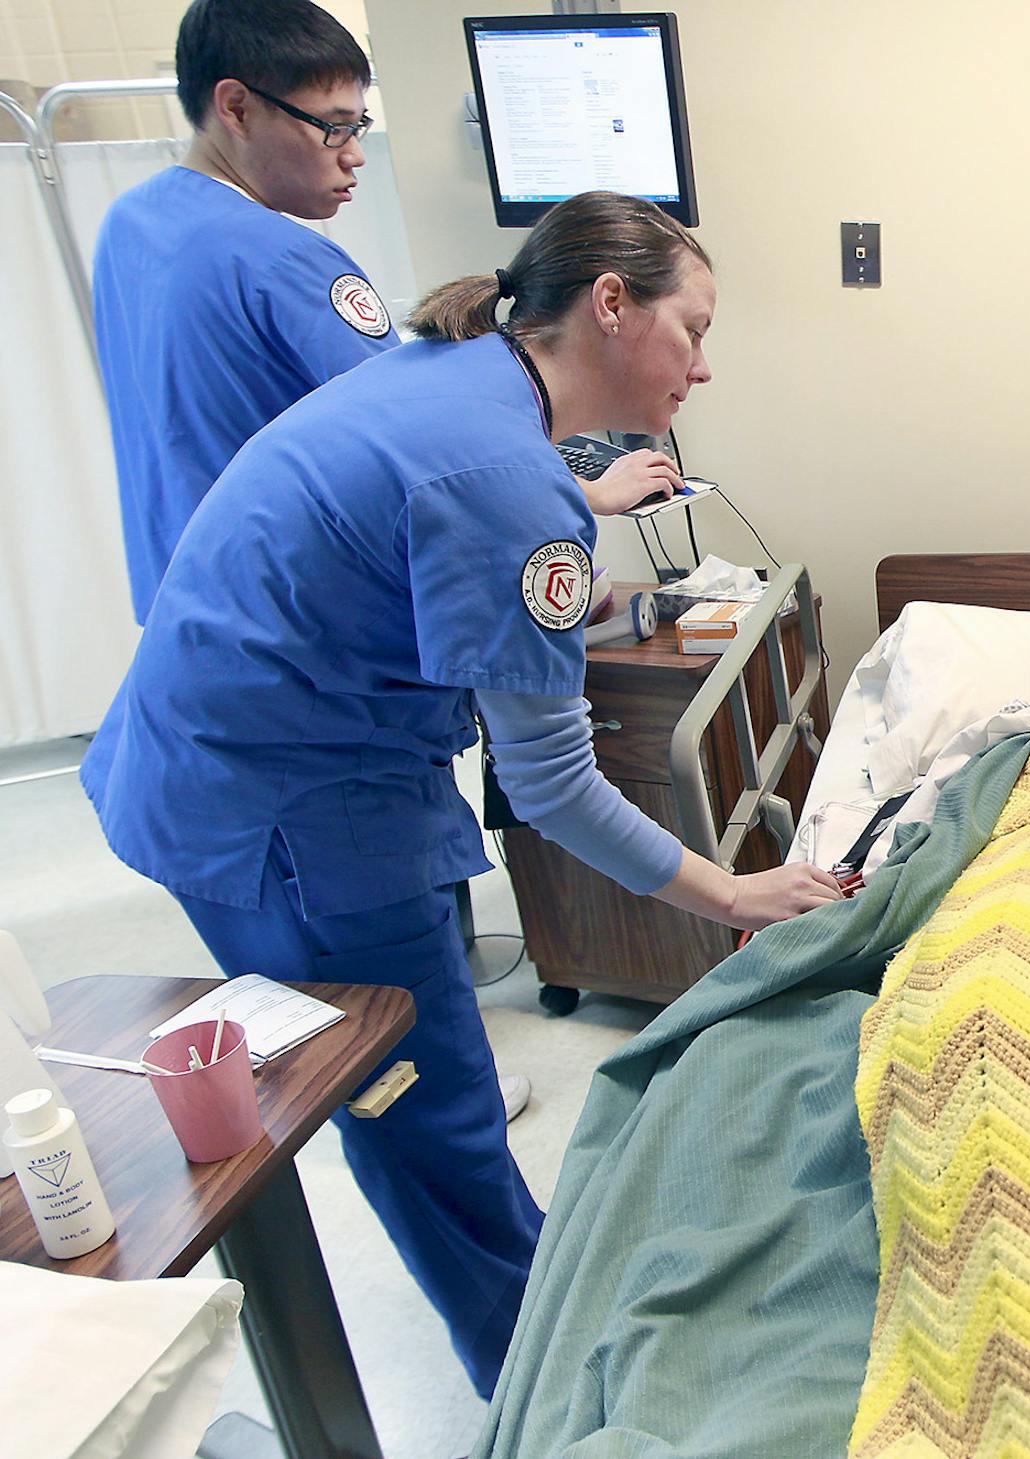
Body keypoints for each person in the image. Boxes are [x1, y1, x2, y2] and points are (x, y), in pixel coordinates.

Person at [79, 190, 842, 1395]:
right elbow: (551, 783)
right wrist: (732, 894)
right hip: (283, 812)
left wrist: (569, 544)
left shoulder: (455, 379)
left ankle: (539, 1316)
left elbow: (418, 555)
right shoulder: (504, 475)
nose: (706, 361)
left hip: (220, 753)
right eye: (690, 328)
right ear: (608, 305)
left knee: (431, 1085)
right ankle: (547, 1393)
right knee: (425, 1116)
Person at [93, 0, 681, 627]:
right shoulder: (284, 260)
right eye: (333, 126)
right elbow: (437, 434)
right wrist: (588, 492)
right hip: (287, 615)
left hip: (182, 593)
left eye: (359, 125)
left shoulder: (132, 223)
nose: (355, 154)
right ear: (236, 107)